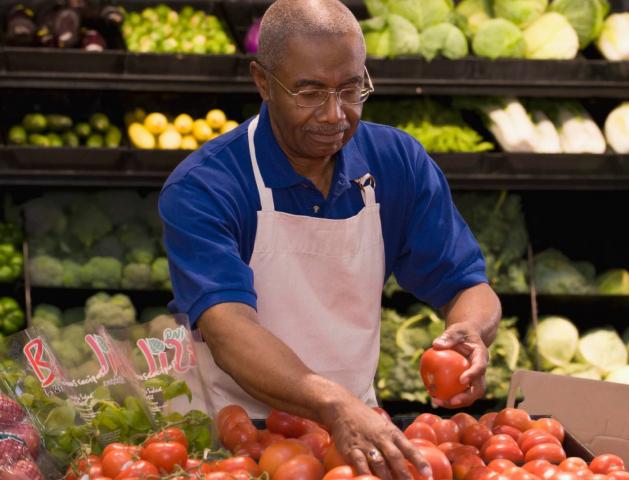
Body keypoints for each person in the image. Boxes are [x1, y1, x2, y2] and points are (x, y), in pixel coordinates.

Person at [158, 0, 501, 478]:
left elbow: (466, 284)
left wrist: (470, 329)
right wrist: (332, 403)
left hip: (356, 435)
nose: (335, 114)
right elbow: (228, 330)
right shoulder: (205, 186)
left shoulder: (395, 161)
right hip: (233, 435)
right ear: (262, 82)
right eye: (310, 92)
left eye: (351, 88)